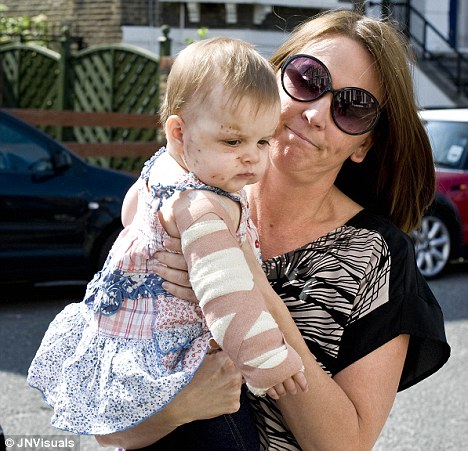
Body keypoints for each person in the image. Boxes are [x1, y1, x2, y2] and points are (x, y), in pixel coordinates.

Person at [96, 9, 451, 451]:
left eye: (353, 108)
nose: (317, 113)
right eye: (308, 80)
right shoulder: (180, 202)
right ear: (272, 80)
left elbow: (344, 445)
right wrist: (179, 407)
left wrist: (256, 289)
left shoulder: (378, 256)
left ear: (364, 145)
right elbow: (104, 421)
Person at [27, 36, 308, 449]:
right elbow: (228, 297)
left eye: (263, 141)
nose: (252, 157)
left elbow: (131, 215)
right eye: (233, 141)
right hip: (183, 367)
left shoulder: (161, 168)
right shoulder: (203, 207)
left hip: (133, 356)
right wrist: (269, 359)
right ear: (179, 132)